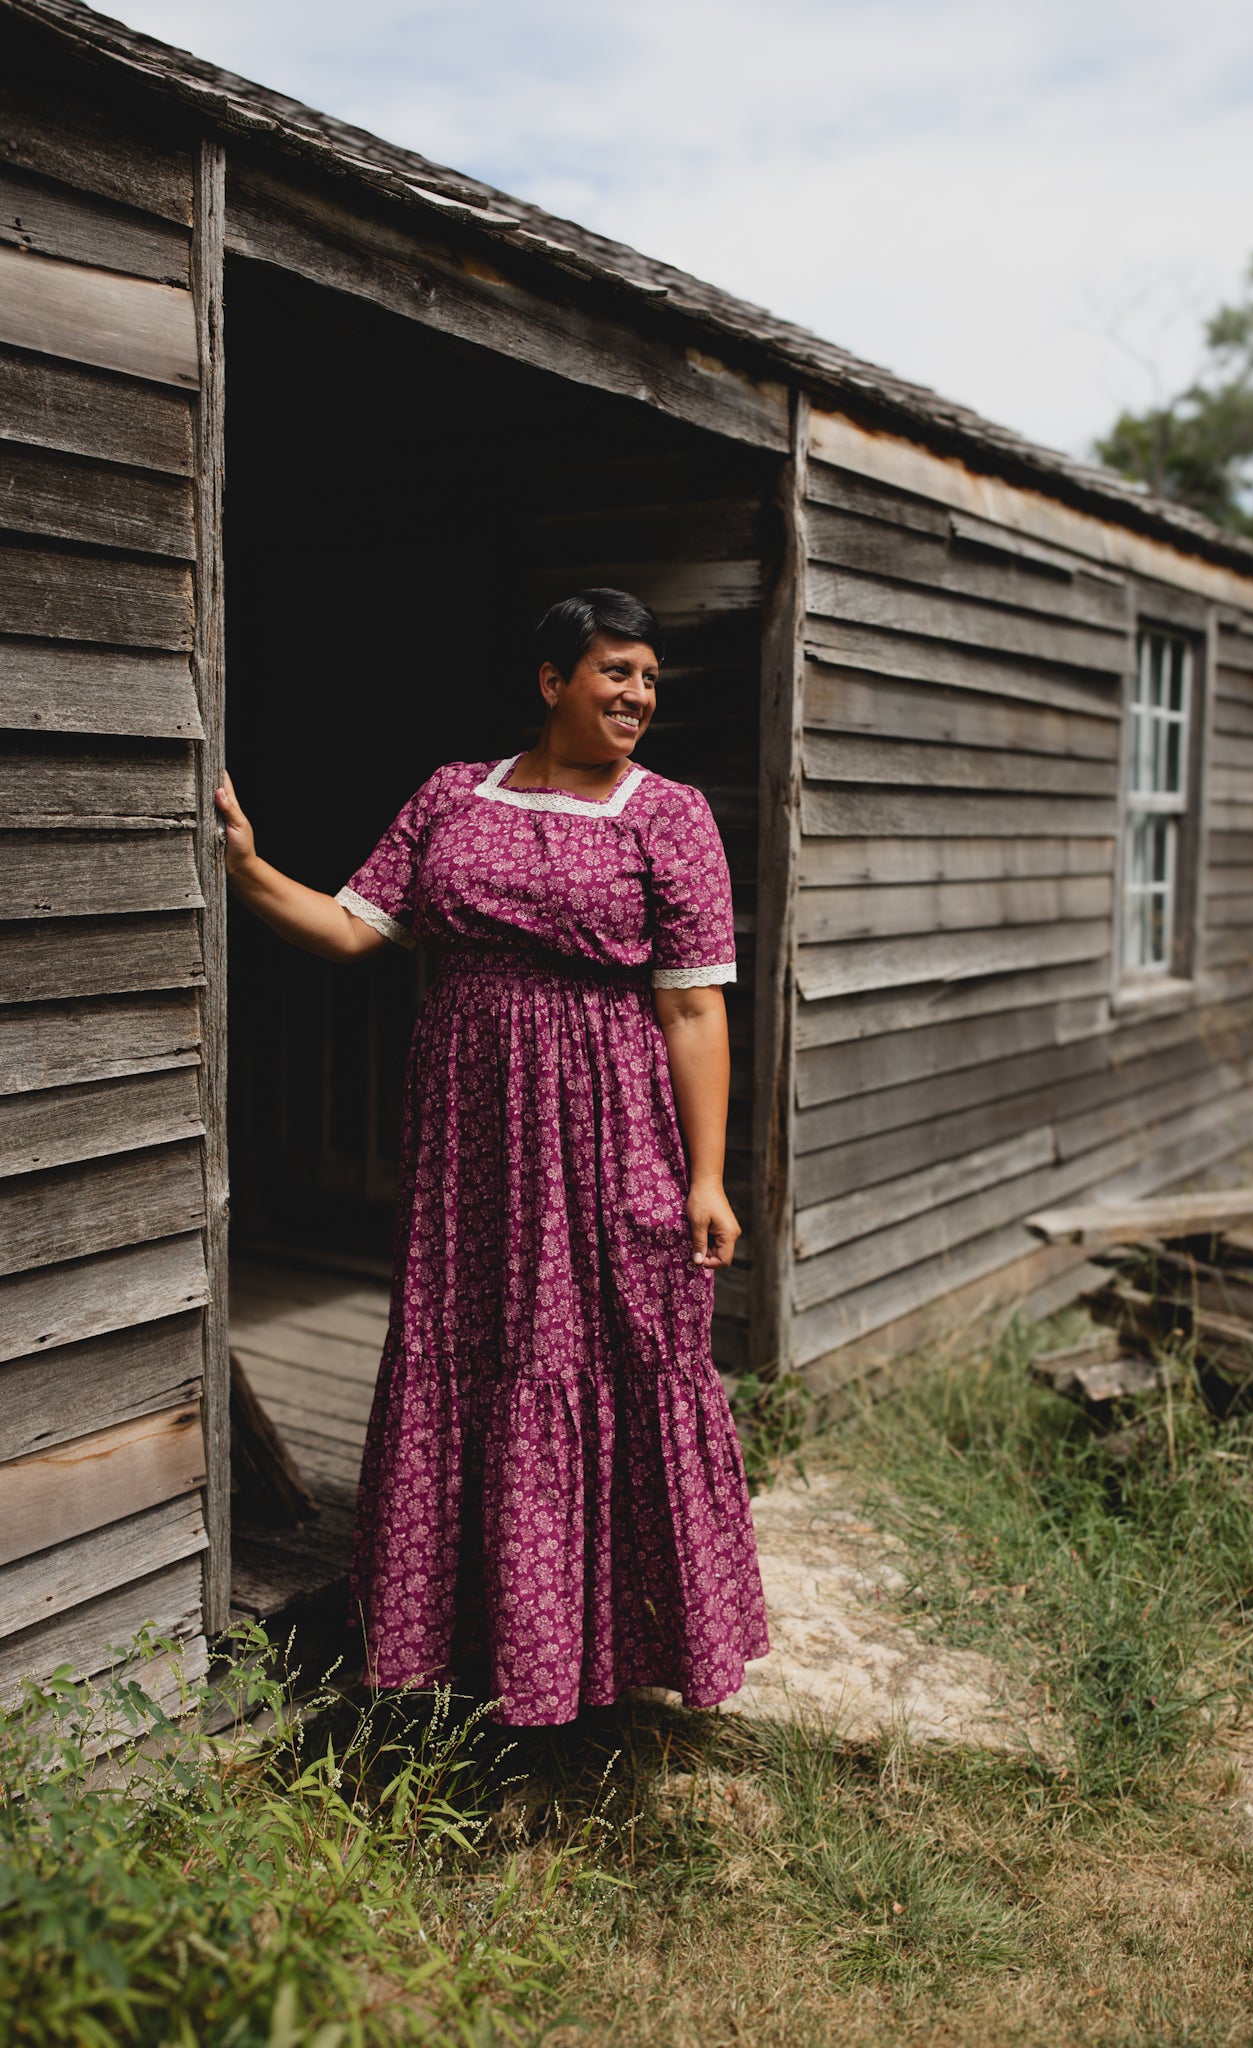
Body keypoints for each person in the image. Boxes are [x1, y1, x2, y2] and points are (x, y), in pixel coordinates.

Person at [215, 587, 769, 1724]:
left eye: (652, 678)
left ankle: (608, 1660)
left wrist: (708, 1176)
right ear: (551, 678)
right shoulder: (449, 795)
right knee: (474, 1347)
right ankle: (486, 1645)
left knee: (618, 1341)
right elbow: (347, 928)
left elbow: (698, 1013)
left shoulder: (670, 816)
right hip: (472, 1138)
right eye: (616, 671)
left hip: (609, 1120)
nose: (638, 695)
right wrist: (246, 865)